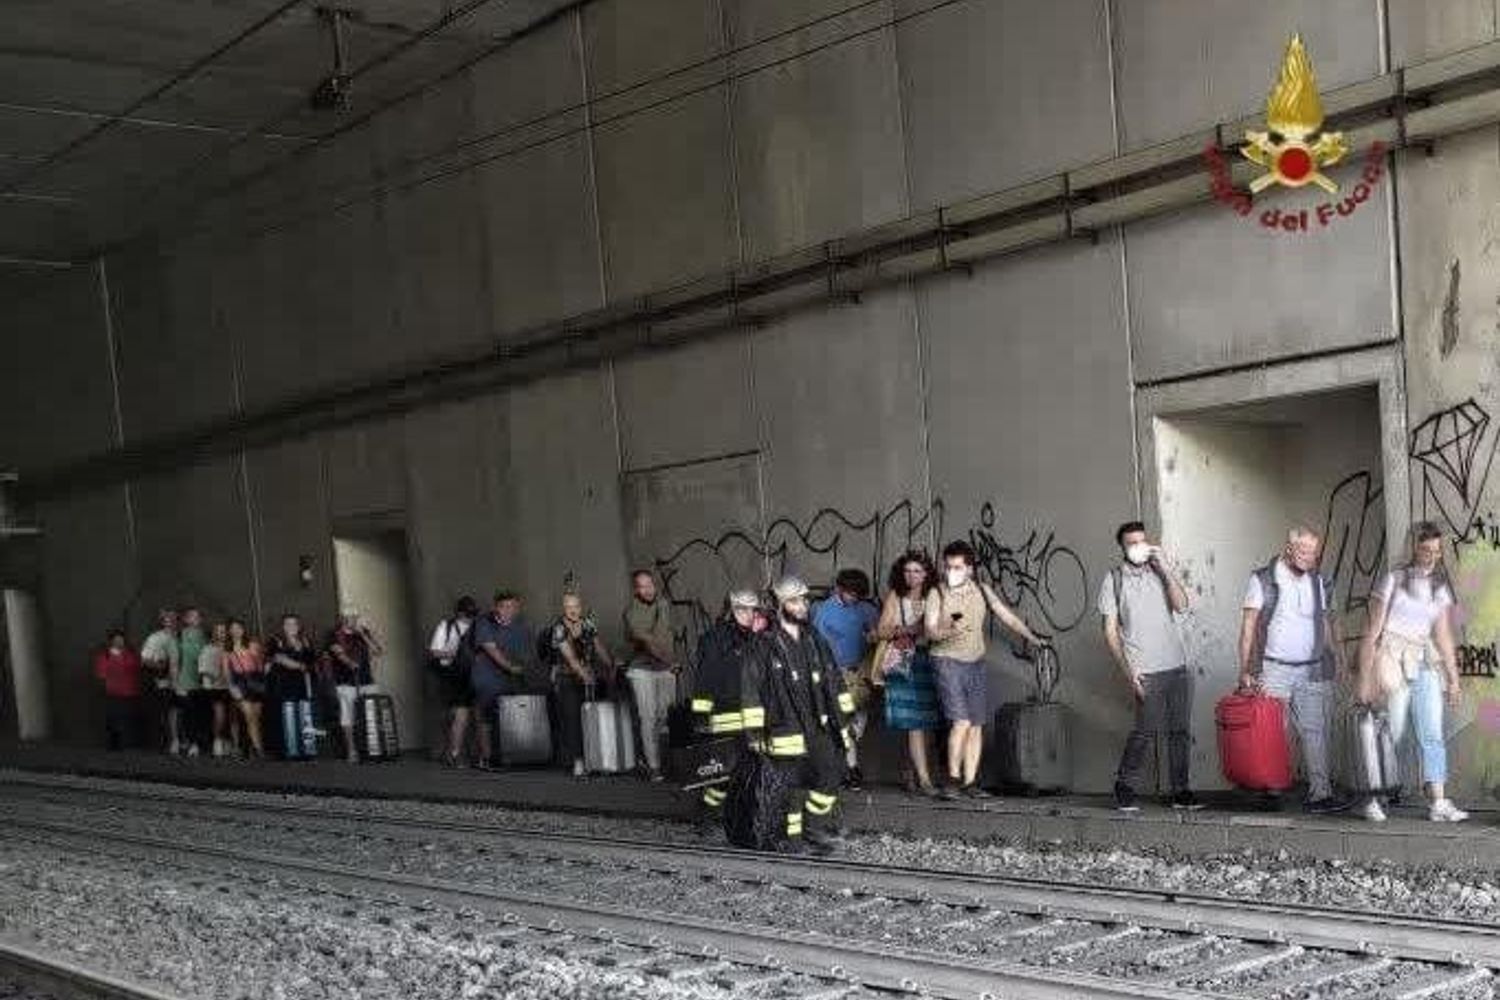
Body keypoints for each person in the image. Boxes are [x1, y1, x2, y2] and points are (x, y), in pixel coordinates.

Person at [1355, 522, 1469, 823]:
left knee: (1432, 733)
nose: (1432, 556)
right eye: (1426, 549)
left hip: (1423, 660)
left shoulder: (1439, 587)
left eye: (1437, 550)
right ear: (1413, 548)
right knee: (1391, 731)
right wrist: (1365, 678)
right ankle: (1375, 797)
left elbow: (1443, 635)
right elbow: (1371, 631)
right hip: (1391, 657)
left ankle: (1439, 802)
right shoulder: (1392, 580)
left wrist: (1453, 680)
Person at [740, 576, 855, 855]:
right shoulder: (763, 644)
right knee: (790, 787)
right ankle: (791, 841)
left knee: (830, 774)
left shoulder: (814, 639)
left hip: (818, 725)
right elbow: (751, 690)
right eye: (794, 601)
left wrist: (845, 720)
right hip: (783, 727)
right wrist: (754, 735)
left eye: (804, 600)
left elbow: (834, 681)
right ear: (779, 606)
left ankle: (813, 827)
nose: (802, 606)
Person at [926, 540, 1049, 799]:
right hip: (947, 661)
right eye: (948, 567)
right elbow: (930, 630)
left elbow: (1006, 615)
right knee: (960, 721)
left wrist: (1031, 637)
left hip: (975, 662)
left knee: (975, 724)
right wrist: (947, 630)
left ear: (969, 569)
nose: (951, 572)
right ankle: (952, 780)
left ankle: (970, 782)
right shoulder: (937, 593)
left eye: (957, 567)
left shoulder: (982, 590)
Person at [1237, 527, 1348, 814]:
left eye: (1313, 553)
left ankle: (1320, 794)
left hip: (1311, 669)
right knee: (1275, 732)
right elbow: (1248, 627)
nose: (1309, 558)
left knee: (1315, 730)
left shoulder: (1320, 581)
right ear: (1288, 548)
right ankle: (1272, 790)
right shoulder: (1263, 579)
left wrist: (1339, 658)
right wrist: (1246, 669)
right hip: (1273, 668)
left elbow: (1326, 623)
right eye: (1303, 551)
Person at [1100, 522, 1199, 812]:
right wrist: (1129, 672)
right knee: (1145, 731)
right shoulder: (1114, 579)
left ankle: (1181, 791)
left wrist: (1165, 569)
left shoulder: (1159, 572)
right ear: (1122, 547)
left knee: (1179, 731)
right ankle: (1125, 785)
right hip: (1145, 669)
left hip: (1176, 665)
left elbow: (1182, 605)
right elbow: (1109, 631)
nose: (1138, 547)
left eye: (1142, 541)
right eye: (1132, 543)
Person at [874, 551, 942, 797]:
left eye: (917, 571)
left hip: (928, 661)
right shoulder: (896, 596)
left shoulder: (935, 596)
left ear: (926, 574)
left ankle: (908, 770)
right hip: (904, 663)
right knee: (914, 722)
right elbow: (882, 630)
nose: (911, 576)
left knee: (925, 722)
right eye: (907, 571)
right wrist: (907, 629)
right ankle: (924, 780)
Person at [690, 589, 761, 814]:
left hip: (753, 715)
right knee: (724, 771)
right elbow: (705, 678)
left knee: (752, 767)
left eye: (753, 609)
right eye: (742, 609)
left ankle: (745, 815)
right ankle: (707, 811)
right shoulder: (715, 639)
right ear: (730, 611)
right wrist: (701, 715)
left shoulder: (758, 638)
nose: (748, 614)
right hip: (725, 714)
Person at [811, 568, 879, 790]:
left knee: (855, 724)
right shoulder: (823, 610)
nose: (854, 599)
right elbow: (815, 644)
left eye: (858, 595)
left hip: (861, 674)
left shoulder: (868, 610)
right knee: (841, 723)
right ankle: (850, 769)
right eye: (851, 594)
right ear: (839, 589)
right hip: (835, 673)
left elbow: (878, 639)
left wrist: (873, 637)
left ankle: (848, 768)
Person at [547, 589, 617, 778]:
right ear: (563, 609)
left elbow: (598, 646)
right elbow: (570, 657)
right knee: (573, 721)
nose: (573, 610)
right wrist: (584, 674)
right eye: (568, 607)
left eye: (576, 606)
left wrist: (611, 665)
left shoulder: (587, 623)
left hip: (589, 678)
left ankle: (597, 760)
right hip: (567, 678)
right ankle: (578, 761)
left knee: (593, 719)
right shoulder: (559, 628)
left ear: (581, 607)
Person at [623, 569, 679, 782]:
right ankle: (653, 765)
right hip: (642, 670)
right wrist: (670, 662)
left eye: (649, 585)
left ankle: (664, 760)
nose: (647, 590)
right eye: (642, 586)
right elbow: (648, 643)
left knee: (667, 716)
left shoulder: (663, 605)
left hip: (665, 668)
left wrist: (672, 660)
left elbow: (668, 635)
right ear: (635, 590)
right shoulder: (631, 612)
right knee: (648, 717)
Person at [471, 591, 532, 769]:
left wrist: (525, 671)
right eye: (504, 607)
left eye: (512, 607)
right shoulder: (484, 623)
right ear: (495, 608)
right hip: (487, 678)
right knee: (486, 717)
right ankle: (486, 758)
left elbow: (526, 654)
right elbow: (491, 649)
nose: (508, 610)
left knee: (510, 717)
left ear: (518, 608)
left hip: (512, 680)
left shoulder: (521, 627)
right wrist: (510, 667)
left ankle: (510, 756)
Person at [328, 609, 383, 763]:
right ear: (342, 619)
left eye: (354, 617)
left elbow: (378, 651)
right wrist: (351, 663)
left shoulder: (363, 632)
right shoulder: (335, 634)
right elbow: (338, 653)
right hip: (345, 681)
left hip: (366, 679)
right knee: (348, 716)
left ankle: (373, 749)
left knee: (371, 713)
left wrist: (363, 634)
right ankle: (352, 751)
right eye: (349, 617)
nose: (352, 620)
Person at [429, 596, 478, 767]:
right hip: (452, 675)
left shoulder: (477, 626)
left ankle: (455, 752)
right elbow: (434, 652)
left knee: (465, 715)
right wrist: (454, 654)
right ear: (459, 613)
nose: (469, 617)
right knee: (459, 714)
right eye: (467, 614)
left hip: (472, 674)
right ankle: (454, 753)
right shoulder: (446, 626)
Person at [265, 613, 318, 757]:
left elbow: (312, 660)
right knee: (286, 716)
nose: (291, 626)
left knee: (305, 715)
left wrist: (306, 666)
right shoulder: (276, 640)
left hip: (302, 684)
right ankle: (289, 750)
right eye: (288, 624)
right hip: (282, 685)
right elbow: (279, 658)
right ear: (283, 626)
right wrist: (302, 666)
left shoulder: (305, 641)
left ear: (299, 626)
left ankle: (306, 750)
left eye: (294, 624)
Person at [94, 628, 142, 751]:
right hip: (112, 692)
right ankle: (114, 744)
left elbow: (136, 668)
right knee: (113, 718)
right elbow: (101, 673)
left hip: (129, 692)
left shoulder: (130, 654)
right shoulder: (105, 656)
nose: (119, 642)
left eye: (121, 639)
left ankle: (127, 743)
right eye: (116, 640)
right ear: (111, 641)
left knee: (127, 717)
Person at [224, 618, 266, 758]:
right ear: (229, 631)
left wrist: (257, 654)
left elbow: (261, 665)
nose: (236, 631)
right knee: (249, 716)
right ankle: (258, 749)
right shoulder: (227, 650)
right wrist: (232, 688)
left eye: (238, 628)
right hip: (239, 683)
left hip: (256, 682)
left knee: (256, 717)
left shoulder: (253, 644)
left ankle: (251, 747)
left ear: (243, 630)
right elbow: (227, 673)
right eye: (232, 628)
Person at [139, 609, 179, 753]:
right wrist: (161, 666)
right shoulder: (154, 638)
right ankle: (166, 743)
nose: (170, 621)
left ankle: (179, 741)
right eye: (167, 619)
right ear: (162, 622)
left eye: (173, 619)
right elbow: (144, 660)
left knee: (179, 712)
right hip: (163, 681)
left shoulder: (181, 636)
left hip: (183, 681)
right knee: (165, 712)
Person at [196, 621, 232, 758]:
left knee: (232, 716)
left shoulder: (231, 649)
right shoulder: (207, 649)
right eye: (217, 631)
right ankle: (217, 740)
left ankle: (229, 741)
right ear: (213, 633)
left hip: (231, 687)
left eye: (222, 631)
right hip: (214, 688)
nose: (220, 634)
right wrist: (215, 678)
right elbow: (202, 671)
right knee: (219, 714)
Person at [175, 607, 206, 756]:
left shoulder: (205, 636)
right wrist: (176, 682)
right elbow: (175, 660)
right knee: (187, 713)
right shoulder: (179, 635)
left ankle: (198, 743)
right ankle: (188, 742)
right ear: (185, 619)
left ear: (200, 619)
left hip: (201, 680)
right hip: (184, 680)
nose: (193, 619)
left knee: (200, 713)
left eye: (196, 616)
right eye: (190, 616)